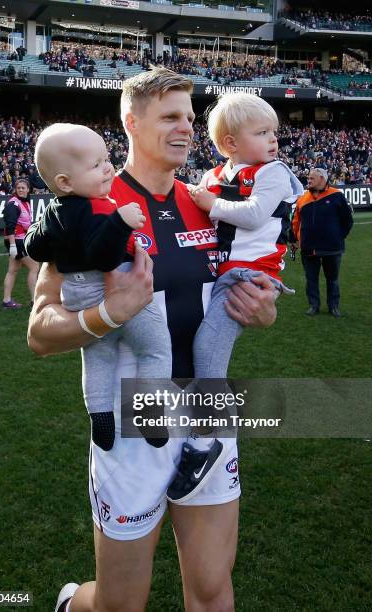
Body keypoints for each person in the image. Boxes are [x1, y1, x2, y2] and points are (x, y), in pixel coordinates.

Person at [27, 68, 277, 612]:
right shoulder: (93, 206)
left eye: (189, 116)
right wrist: (107, 313)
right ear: (130, 122)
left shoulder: (210, 201)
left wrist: (261, 309)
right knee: (121, 603)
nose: (185, 127)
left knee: (212, 591)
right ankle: (75, 604)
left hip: (210, 412)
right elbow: (40, 332)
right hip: (133, 418)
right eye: (169, 116)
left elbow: (247, 289)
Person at [167, 92, 303, 503]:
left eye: (274, 131)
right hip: (221, 273)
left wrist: (212, 202)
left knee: (208, 350)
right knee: (200, 347)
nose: (274, 140)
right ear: (229, 144)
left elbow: (256, 215)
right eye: (262, 132)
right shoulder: (215, 175)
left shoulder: (273, 171)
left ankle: (206, 439)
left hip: (248, 275)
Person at [25, 123, 171, 450]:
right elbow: (103, 258)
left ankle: (101, 417)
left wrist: (46, 228)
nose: (108, 168)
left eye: (107, 158)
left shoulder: (55, 210)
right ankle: (150, 413)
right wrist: (119, 222)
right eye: (96, 164)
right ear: (65, 181)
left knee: (97, 357)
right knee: (156, 348)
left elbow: (35, 248)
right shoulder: (99, 207)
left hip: (76, 296)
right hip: (114, 290)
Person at [291, 167, 353, 317]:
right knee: (311, 279)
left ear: (322, 179)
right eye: (309, 178)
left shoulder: (337, 195)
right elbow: (296, 221)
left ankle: (334, 306)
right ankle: (314, 305)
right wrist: (295, 239)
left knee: (332, 280)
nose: (308, 180)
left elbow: (347, 221)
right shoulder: (303, 198)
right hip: (308, 247)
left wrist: (338, 237)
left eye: (312, 178)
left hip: (332, 248)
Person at [2, 179, 39, 309]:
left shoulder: (24, 203)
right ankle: (34, 300)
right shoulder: (14, 204)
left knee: (12, 270)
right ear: (15, 189)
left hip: (18, 240)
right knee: (34, 267)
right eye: (19, 188)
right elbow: (10, 226)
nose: (21, 190)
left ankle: (6, 301)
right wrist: (12, 245)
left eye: (23, 188)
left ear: (28, 189)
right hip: (16, 241)